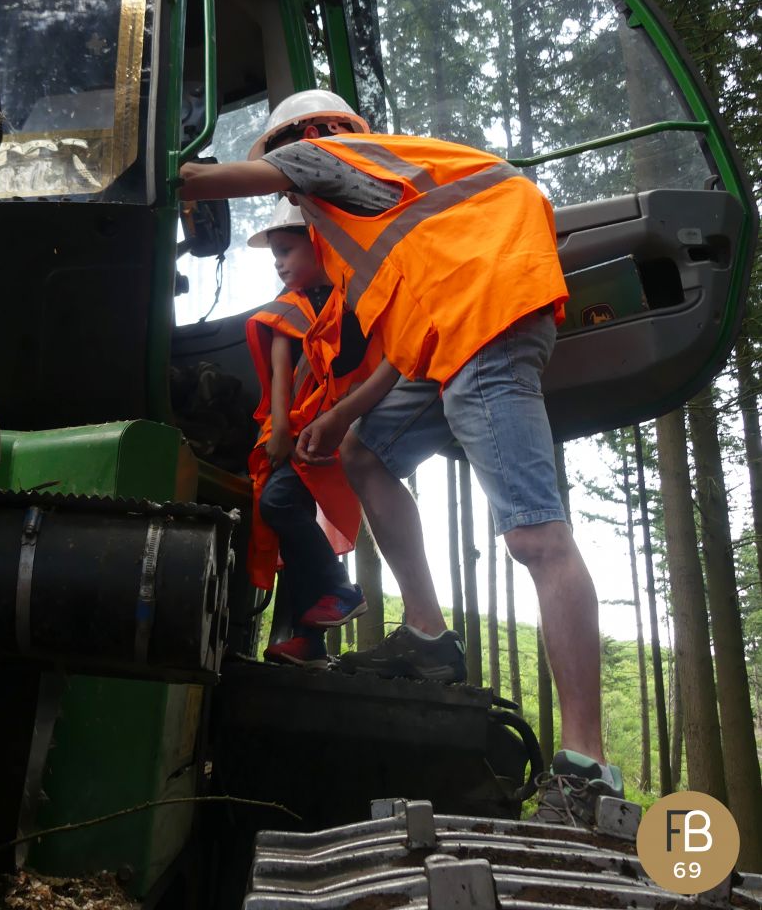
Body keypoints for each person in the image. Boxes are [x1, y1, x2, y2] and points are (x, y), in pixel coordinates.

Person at [179, 89, 624, 827]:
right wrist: (339, 415)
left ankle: (588, 772)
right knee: (363, 454)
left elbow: (205, 182)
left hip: (484, 313)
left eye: (284, 161)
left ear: (308, 137)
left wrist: (157, 173)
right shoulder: (365, 222)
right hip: (449, 330)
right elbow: (398, 352)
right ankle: (428, 637)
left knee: (536, 537)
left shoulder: (336, 157)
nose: (286, 185)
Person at [245, 196, 397, 667]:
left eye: (288, 250)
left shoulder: (354, 298)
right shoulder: (284, 311)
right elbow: (280, 375)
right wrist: (279, 434)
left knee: (280, 505)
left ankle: (339, 588)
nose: (279, 263)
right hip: (296, 434)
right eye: (275, 254)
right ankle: (310, 642)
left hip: (343, 430)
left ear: (317, 244)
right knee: (288, 518)